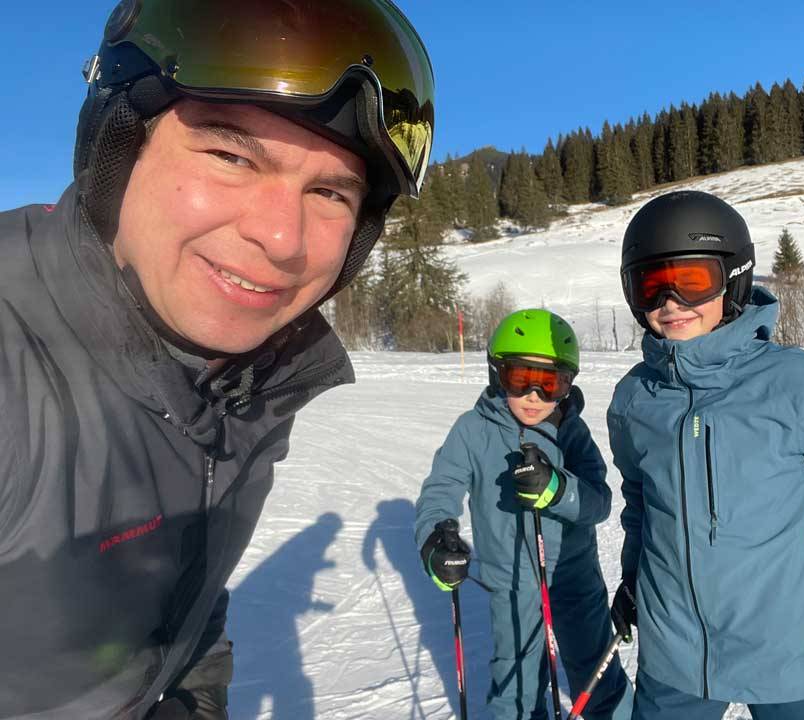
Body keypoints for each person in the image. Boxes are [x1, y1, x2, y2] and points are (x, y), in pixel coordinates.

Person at [0, 1, 434, 717]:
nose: (282, 238)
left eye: (329, 192)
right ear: (120, 145)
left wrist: (191, 694)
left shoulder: (243, 386)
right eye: (232, 156)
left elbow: (186, 593)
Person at [605, 191, 804, 719]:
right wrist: (635, 579)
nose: (669, 300)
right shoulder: (634, 399)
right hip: (673, 660)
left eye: (691, 282)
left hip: (789, 653)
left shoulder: (794, 384)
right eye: (650, 283)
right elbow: (642, 505)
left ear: (733, 278)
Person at [415, 309, 632, 720]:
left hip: (573, 575)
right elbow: (440, 490)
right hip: (511, 581)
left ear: (566, 386)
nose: (534, 396)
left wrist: (557, 489)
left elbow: (598, 501)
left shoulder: (571, 432)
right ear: (498, 374)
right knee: (516, 686)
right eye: (520, 379)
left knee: (598, 677)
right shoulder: (473, 430)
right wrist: (436, 538)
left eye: (549, 383)